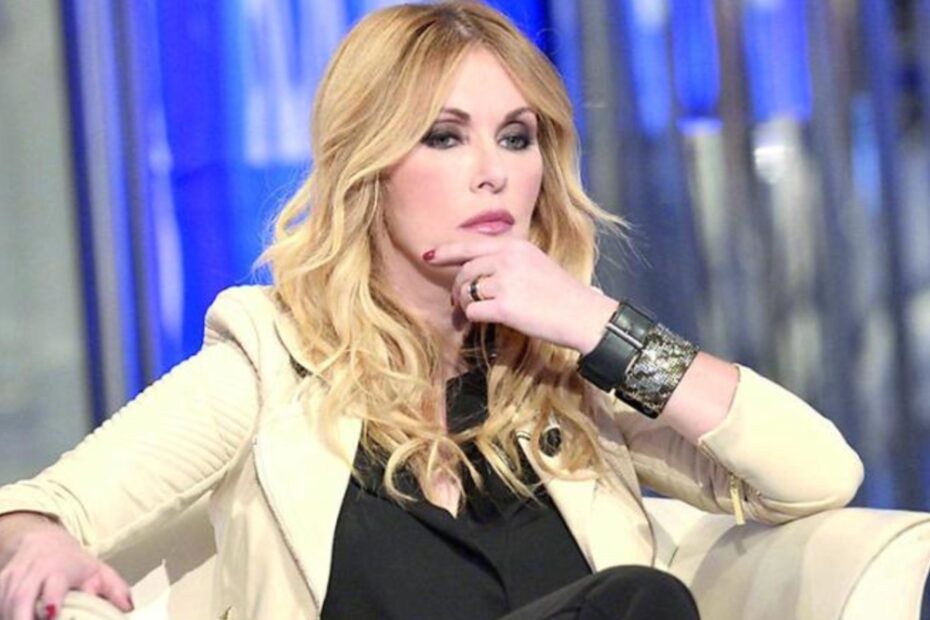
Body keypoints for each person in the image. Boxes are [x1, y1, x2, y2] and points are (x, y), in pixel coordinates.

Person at [0, 2, 863, 619]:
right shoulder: (273, 363)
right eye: (445, 137)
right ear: (370, 167)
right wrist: (39, 539)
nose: (493, 171)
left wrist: (597, 326)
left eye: (516, 137)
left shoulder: (564, 377)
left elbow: (819, 476)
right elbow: (35, 508)